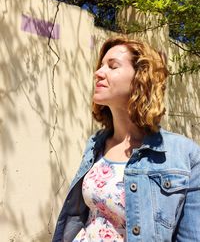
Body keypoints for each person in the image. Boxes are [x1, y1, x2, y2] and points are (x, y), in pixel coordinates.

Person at [52, 37, 200, 242]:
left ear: (141, 78)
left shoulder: (185, 154)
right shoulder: (96, 144)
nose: (98, 73)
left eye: (112, 66)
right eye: (101, 65)